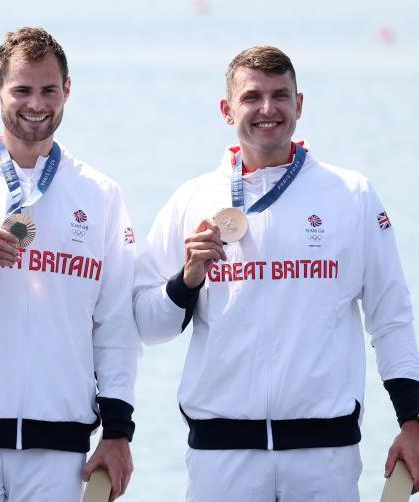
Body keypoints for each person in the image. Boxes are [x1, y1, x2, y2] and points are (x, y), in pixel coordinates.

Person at [133, 45, 419, 501]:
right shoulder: (193, 199)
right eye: (251, 97)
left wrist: (412, 421)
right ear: (228, 110)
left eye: (280, 95)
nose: (267, 109)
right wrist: (186, 280)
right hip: (220, 456)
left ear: (299, 104)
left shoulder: (351, 194)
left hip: (324, 454)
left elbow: (392, 318)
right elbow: (147, 326)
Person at [0, 27, 139, 501]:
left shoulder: (99, 194)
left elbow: (115, 324)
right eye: (21, 90)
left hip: (57, 449)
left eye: (48, 90)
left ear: (67, 91)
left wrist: (118, 432)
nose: (36, 103)